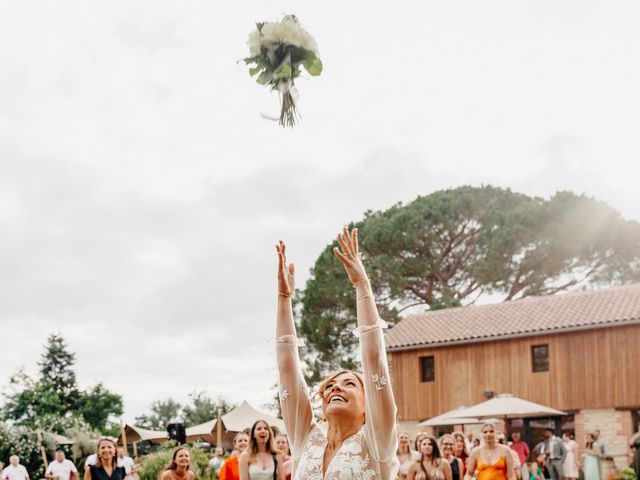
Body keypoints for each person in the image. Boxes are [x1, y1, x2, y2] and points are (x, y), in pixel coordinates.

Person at [275, 229, 399, 479]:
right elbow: (287, 367)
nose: (335, 389)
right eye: (330, 386)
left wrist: (361, 285)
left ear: (368, 405)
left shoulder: (376, 440)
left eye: (349, 383)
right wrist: (284, 298)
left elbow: (374, 357)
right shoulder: (305, 439)